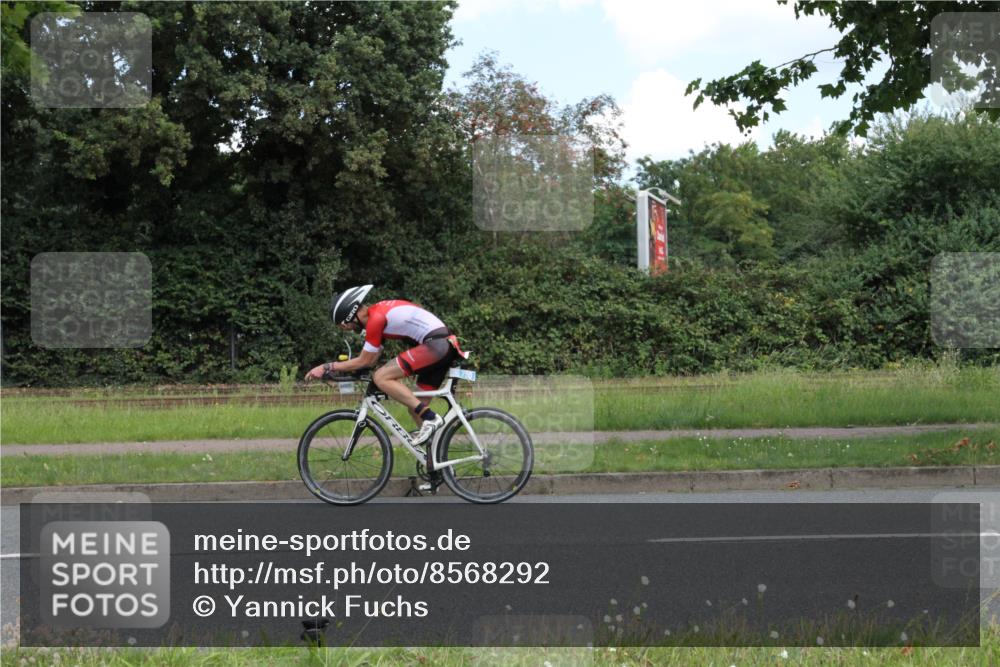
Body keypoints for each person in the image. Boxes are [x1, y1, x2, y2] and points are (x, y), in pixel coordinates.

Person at [304, 284, 463, 446]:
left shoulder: (376, 319)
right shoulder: (378, 313)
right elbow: (370, 360)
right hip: (441, 346)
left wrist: (327, 367)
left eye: (345, 326)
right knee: (415, 407)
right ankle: (437, 462)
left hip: (436, 346)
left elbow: (365, 360)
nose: (348, 329)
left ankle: (431, 418)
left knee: (381, 377)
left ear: (350, 317)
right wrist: (350, 372)